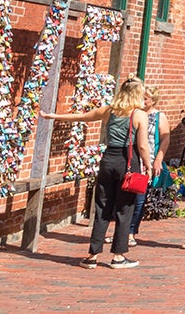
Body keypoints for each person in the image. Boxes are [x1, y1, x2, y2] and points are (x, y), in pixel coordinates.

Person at [41, 76, 152, 268]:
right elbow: (142, 146)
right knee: (124, 209)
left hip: (108, 159)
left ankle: (92, 255)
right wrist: (148, 165)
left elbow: (82, 117)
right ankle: (118, 255)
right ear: (137, 94)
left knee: (102, 206)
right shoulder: (139, 115)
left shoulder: (109, 111)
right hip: (128, 161)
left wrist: (53, 116)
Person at [127, 85, 168, 242]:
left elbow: (165, 138)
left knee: (139, 198)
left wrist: (158, 160)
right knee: (126, 197)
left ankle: (131, 232)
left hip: (147, 161)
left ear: (153, 100)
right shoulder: (134, 113)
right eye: (141, 97)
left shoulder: (158, 116)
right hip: (131, 160)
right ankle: (123, 230)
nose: (143, 101)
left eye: (146, 98)